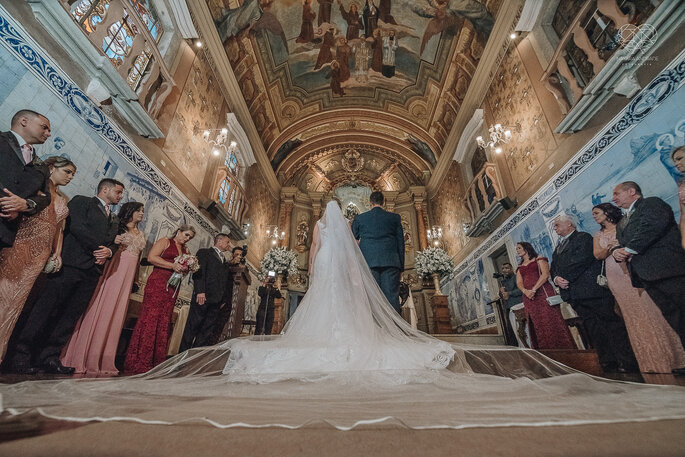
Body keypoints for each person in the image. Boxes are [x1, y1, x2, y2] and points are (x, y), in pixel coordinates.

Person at [223, 200, 453, 381]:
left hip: (324, 259)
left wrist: (312, 265)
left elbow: (314, 245)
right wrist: (353, 269)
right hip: (340, 260)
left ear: (325, 211)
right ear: (341, 212)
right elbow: (353, 246)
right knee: (342, 294)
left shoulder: (319, 224)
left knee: (322, 294)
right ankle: (350, 331)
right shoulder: (346, 223)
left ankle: (320, 332)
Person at [10, 178, 123, 374]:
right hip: (71, 265)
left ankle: (50, 357)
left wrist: (110, 252)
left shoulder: (114, 219)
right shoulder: (82, 201)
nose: (120, 197)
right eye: (118, 192)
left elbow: (113, 241)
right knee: (44, 309)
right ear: (105, 189)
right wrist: (99, 250)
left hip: (92, 272)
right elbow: (77, 227)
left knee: (68, 317)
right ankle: (20, 355)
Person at [592, 203, 685, 374]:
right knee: (632, 315)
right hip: (614, 274)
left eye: (597, 213)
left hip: (634, 268)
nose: (594, 216)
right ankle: (649, 359)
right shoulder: (597, 235)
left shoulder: (624, 225)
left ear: (607, 212)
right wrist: (611, 248)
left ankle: (674, 356)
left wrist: (622, 249)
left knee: (653, 309)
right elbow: (597, 254)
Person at [0, 156, 75, 364]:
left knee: (17, 301)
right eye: (67, 171)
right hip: (22, 242)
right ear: (52, 168)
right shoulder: (37, 187)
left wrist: (57, 253)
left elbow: (59, 229)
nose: (70, 177)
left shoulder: (64, 198)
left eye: (72, 174)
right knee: (3, 292)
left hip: (41, 252)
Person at [60, 202, 146, 376]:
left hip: (128, 276)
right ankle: (82, 353)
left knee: (117, 310)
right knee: (103, 306)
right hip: (115, 269)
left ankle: (103, 356)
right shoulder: (119, 226)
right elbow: (108, 245)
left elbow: (138, 259)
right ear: (130, 211)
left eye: (143, 211)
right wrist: (114, 241)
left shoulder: (141, 233)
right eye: (139, 211)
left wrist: (136, 279)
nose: (142, 214)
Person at [550, 214, 636, 372]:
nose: (554, 228)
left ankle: (628, 361)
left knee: (611, 324)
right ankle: (608, 362)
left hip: (591, 291)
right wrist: (556, 279)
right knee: (593, 329)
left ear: (569, 224)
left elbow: (582, 259)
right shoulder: (558, 248)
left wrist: (565, 277)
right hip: (574, 294)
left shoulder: (583, 238)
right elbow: (553, 267)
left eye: (557, 225)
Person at [612, 181, 685, 352]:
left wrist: (628, 250)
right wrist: (616, 252)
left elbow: (651, 227)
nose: (613, 198)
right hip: (646, 276)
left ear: (631, 191)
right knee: (675, 318)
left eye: (617, 193)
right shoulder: (622, 221)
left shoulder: (651, 203)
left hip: (669, 269)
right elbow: (619, 243)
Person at [124, 224, 195, 374]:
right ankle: (140, 360)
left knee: (164, 319)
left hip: (173, 286)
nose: (187, 238)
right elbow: (151, 258)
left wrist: (187, 268)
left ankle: (156, 361)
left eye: (190, 237)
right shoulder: (165, 241)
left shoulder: (186, 250)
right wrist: (172, 265)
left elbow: (182, 268)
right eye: (186, 234)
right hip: (158, 282)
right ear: (179, 231)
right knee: (151, 318)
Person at [0, 110, 52, 250]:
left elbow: (45, 197)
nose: (48, 133)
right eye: (44, 127)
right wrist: (8, 203)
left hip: (4, 230)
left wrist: (25, 204)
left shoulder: (42, 167)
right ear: (24, 121)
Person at [514, 242, 575, 350]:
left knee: (551, 320)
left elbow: (545, 275)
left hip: (543, 293)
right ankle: (544, 351)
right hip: (529, 298)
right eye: (517, 249)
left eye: (519, 248)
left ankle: (564, 349)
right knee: (537, 324)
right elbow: (519, 282)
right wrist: (525, 291)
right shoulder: (519, 267)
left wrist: (534, 289)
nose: (517, 250)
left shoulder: (539, 259)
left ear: (526, 248)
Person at [351, 191, 404, 313]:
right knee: (391, 297)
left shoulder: (360, 218)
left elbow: (353, 240)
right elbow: (400, 243)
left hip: (368, 261)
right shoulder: (394, 218)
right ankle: (394, 329)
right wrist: (401, 266)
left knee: (371, 297)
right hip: (391, 262)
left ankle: (375, 329)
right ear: (384, 202)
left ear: (370, 203)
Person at [179, 233, 232, 352]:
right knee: (193, 326)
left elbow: (224, 282)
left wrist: (223, 300)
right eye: (227, 242)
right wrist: (200, 291)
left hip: (216, 301)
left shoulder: (224, 261)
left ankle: (195, 356)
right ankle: (182, 356)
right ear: (219, 241)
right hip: (203, 296)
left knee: (206, 330)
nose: (229, 245)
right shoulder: (204, 253)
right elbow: (198, 273)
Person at [498, 262, 522, 346]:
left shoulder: (516, 277)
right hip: (508, 307)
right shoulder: (503, 282)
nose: (505, 270)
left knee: (521, 328)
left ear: (511, 269)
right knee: (511, 329)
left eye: (507, 268)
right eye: (503, 269)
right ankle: (515, 347)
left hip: (518, 307)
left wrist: (509, 293)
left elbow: (521, 290)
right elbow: (502, 295)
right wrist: (501, 293)